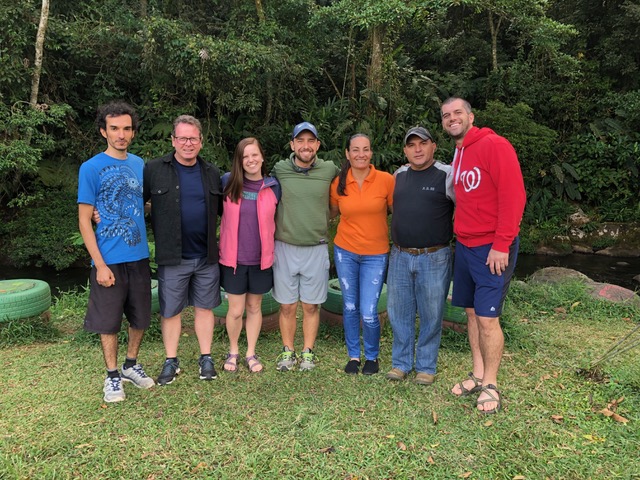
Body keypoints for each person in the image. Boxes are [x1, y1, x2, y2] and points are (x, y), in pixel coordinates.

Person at [441, 97, 526, 414]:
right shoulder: (460, 152)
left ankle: (491, 383)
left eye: (457, 113)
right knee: (472, 313)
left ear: (471, 117)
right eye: (446, 115)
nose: (452, 118)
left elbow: (514, 196)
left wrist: (502, 243)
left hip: (492, 247)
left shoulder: (494, 145)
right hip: (465, 245)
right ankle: (477, 375)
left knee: (488, 318)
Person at [78, 101, 155, 403]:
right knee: (108, 321)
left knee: (140, 317)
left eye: (126, 128)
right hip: (109, 258)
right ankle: (112, 376)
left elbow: (139, 204)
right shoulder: (91, 168)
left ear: (133, 132)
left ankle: (130, 365)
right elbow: (84, 220)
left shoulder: (139, 164)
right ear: (103, 131)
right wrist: (99, 264)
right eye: (114, 128)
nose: (121, 135)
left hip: (138, 256)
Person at [143, 115, 223, 385]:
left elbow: (225, 211)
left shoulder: (211, 172)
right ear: (173, 140)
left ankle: (206, 357)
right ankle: (171, 360)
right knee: (170, 311)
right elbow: (137, 203)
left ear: (201, 141)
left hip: (206, 256)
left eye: (193, 138)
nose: (188, 143)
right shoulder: (154, 169)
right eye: (182, 138)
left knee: (205, 308)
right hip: (172, 256)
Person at [385, 126, 455, 385]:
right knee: (398, 311)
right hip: (400, 255)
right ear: (405, 150)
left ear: (433, 146)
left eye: (422, 143)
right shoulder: (399, 175)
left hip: (434, 256)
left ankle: (426, 366)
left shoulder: (446, 174)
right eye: (411, 145)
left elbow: (465, 207)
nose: (417, 149)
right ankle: (401, 363)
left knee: (431, 313)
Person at [270, 122, 339, 371]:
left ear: (318, 145)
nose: (305, 146)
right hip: (285, 247)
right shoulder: (280, 169)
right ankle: (288, 351)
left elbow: (339, 200)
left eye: (311, 141)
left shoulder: (329, 169)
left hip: (316, 247)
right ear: (292, 145)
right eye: (300, 140)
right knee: (287, 305)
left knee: (310, 305)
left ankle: (307, 352)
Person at [329, 134, 394, 375]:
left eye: (366, 149)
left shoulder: (386, 180)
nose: (361, 154)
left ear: (371, 152)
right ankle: (354, 356)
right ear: (347, 153)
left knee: (368, 311)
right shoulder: (338, 183)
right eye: (355, 150)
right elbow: (332, 213)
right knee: (350, 306)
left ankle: (372, 357)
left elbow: (394, 211)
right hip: (345, 251)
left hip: (375, 254)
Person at [219, 137, 280, 373]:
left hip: (261, 259)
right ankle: (233, 351)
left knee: (254, 307)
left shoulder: (273, 186)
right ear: (239, 160)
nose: (251, 160)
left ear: (262, 157)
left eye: (254, 154)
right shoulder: (227, 182)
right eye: (245, 156)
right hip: (233, 259)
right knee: (235, 310)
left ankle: (250, 353)